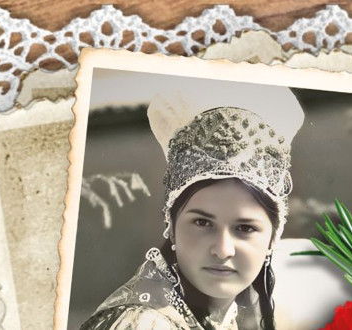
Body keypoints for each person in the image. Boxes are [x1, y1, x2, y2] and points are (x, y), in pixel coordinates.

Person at [80, 83, 304, 329]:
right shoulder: (145, 323)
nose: (222, 249)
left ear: (273, 238)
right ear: (172, 226)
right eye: (202, 222)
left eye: (245, 228)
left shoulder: (230, 319)